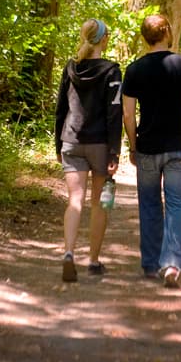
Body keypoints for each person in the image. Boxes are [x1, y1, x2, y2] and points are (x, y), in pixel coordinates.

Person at [121, 13, 181, 289]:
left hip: (147, 147)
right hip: (180, 147)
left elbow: (128, 114)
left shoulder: (134, 70)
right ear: (167, 32)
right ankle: (171, 264)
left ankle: (150, 263)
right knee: (177, 204)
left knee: (149, 204)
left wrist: (133, 145)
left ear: (144, 37)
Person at [54, 18, 123, 282]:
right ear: (103, 39)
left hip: (71, 141)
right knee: (99, 203)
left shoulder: (70, 68)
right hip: (100, 144)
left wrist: (58, 144)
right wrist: (114, 151)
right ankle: (93, 261)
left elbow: (61, 108)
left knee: (75, 200)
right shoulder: (112, 71)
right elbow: (114, 113)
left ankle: (68, 253)